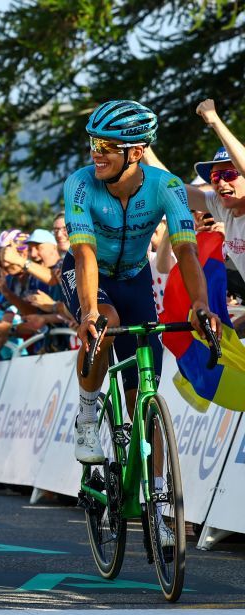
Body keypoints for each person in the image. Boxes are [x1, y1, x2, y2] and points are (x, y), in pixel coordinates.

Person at [63, 101, 218, 486]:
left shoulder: (165, 187)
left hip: (134, 279)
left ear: (135, 152)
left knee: (143, 398)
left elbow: (185, 249)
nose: (96, 155)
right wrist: (88, 313)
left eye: (107, 147)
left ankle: (160, 501)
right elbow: (84, 252)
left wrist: (201, 303)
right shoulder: (80, 183)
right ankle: (85, 416)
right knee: (106, 321)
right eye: (93, 145)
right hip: (86, 272)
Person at [145, 99, 245, 275]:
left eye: (229, 174)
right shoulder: (222, 207)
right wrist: (139, 145)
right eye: (215, 177)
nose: (221, 183)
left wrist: (215, 121)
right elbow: (173, 186)